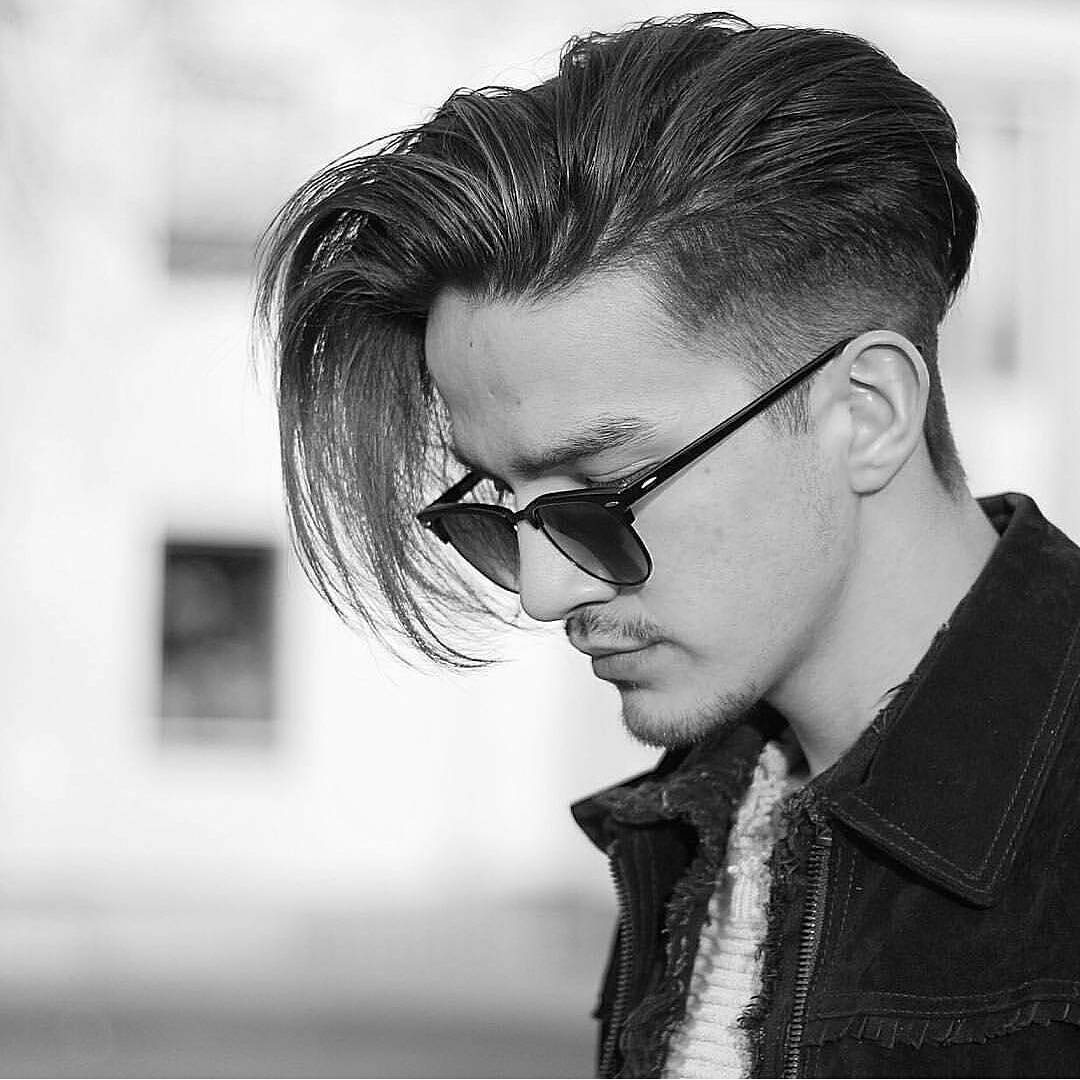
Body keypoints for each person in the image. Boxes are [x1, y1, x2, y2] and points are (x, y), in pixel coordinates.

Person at [256, 11, 1080, 1077]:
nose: (543, 594)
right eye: (501, 499)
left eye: (604, 490)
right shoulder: (695, 831)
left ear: (864, 413)